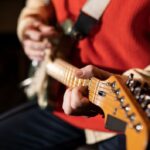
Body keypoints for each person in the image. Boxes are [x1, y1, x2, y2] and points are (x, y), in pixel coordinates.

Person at [1, 0, 149, 149]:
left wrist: (134, 83)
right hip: (60, 103)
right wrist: (30, 24)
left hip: (127, 118)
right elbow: (39, 4)